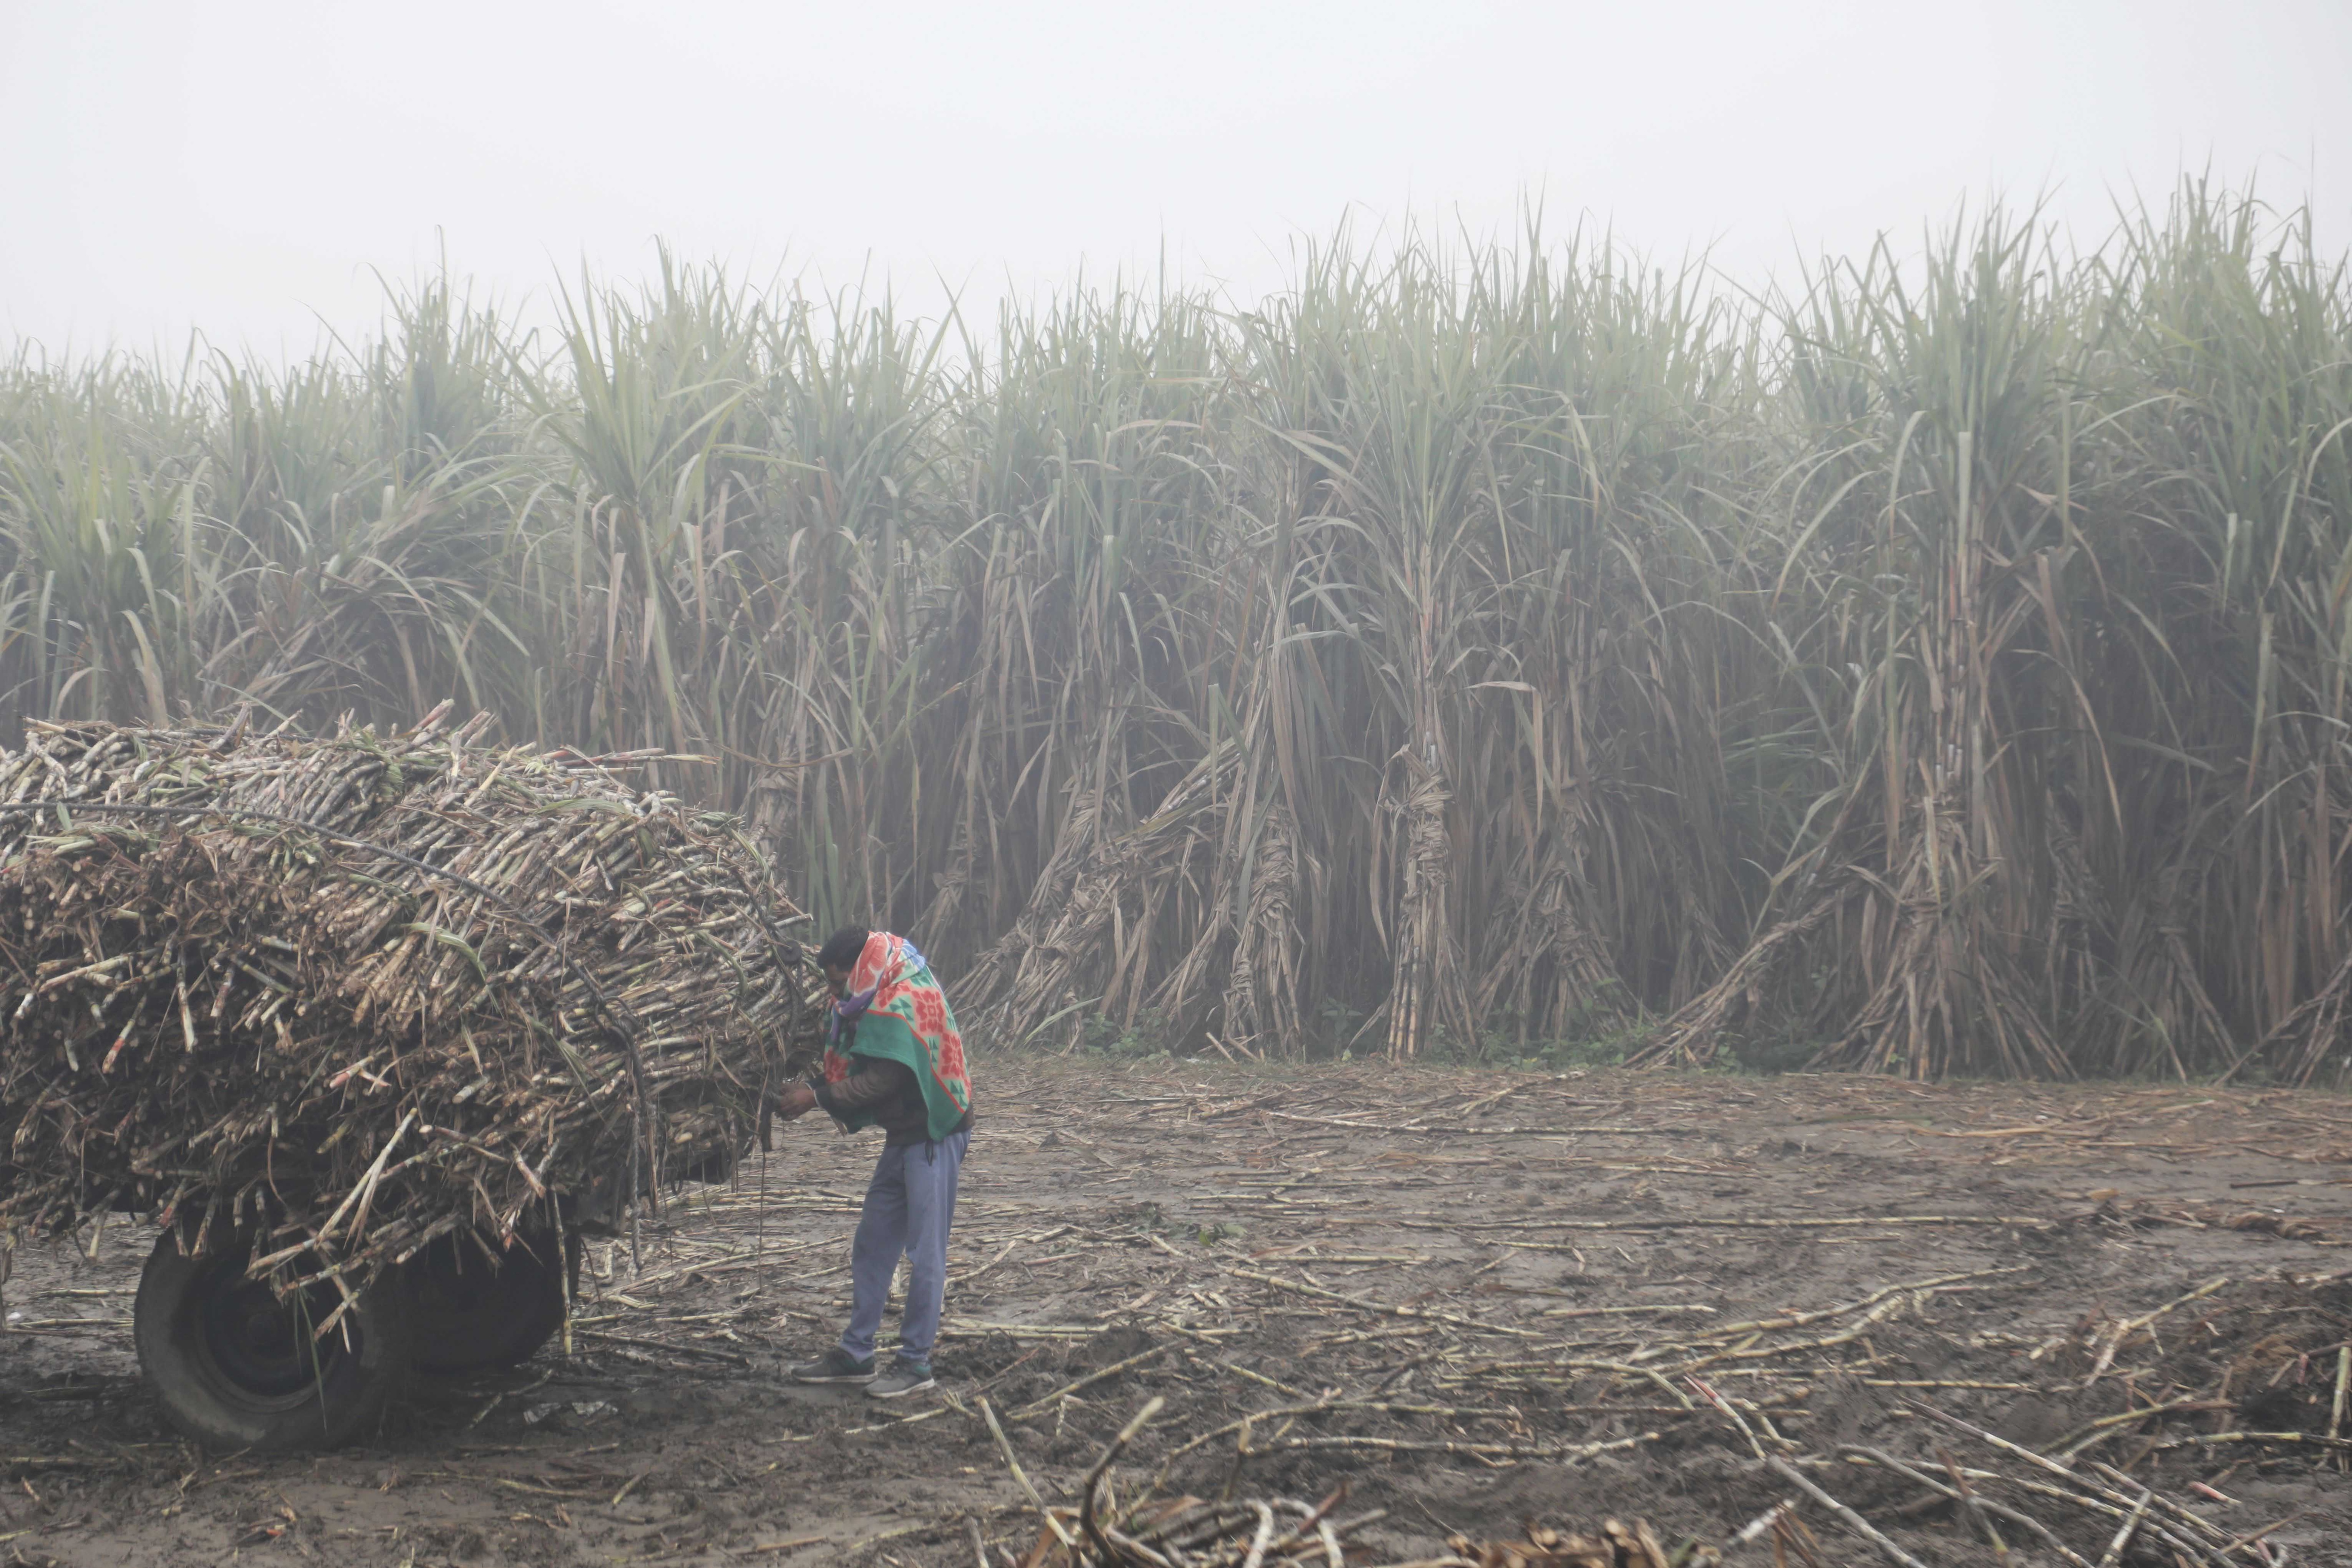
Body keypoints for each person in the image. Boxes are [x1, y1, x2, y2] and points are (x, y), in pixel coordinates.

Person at [770, 926, 974, 1398]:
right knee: (873, 1242)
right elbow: (860, 1061)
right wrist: (812, 1086)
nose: (833, 994)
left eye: (837, 984)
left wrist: (815, 1098)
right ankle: (856, 1354)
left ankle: (915, 1364)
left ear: (857, 968)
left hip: (934, 1135)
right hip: (906, 1136)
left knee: (924, 1254)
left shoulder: (902, 996)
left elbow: (880, 1080)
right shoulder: (876, 985)